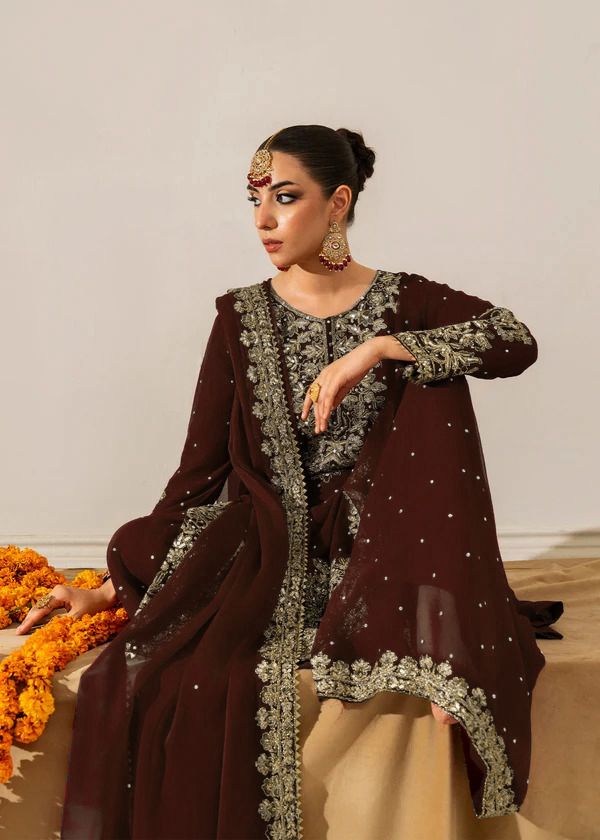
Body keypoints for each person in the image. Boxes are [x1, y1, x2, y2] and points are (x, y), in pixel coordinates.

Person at [17, 124, 564, 839]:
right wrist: (112, 589)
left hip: (386, 548)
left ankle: (440, 639)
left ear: (337, 203)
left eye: (284, 197)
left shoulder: (405, 300)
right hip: (268, 554)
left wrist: (381, 348)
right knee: (168, 661)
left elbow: (514, 340)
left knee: (436, 376)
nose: (264, 221)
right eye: (254, 201)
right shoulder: (240, 317)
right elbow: (198, 474)